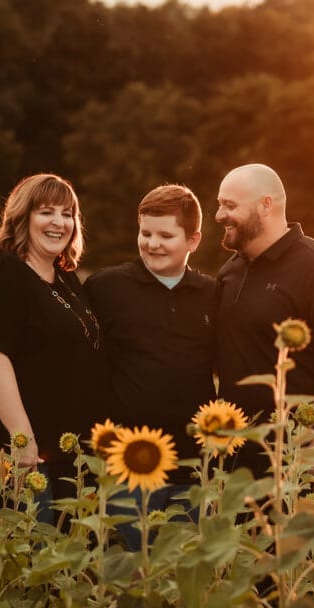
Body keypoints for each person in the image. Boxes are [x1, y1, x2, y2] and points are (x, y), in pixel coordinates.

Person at [0, 173, 109, 524]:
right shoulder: (4, 272)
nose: (59, 222)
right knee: (29, 558)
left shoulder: (67, 279)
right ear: (22, 216)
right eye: (46, 212)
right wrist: (22, 439)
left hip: (68, 453)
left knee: (67, 564)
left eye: (68, 213)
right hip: (26, 455)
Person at [85, 184, 216, 549]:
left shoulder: (212, 294)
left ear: (193, 240)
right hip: (124, 467)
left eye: (165, 235)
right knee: (125, 572)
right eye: (145, 233)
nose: (152, 244)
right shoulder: (106, 288)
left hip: (192, 466)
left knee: (181, 572)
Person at [214, 163, 314, 481]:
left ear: (265, 205)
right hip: (236, 454)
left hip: (297, 456)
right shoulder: (230, 271)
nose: (218, 215)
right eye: (219, 205)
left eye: (229, 205)